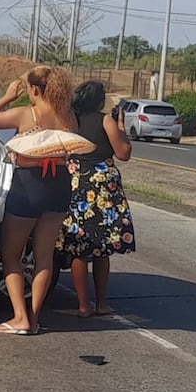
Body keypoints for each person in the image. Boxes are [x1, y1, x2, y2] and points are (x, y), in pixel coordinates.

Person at [0, 66, 75, 335]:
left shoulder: (25, 113)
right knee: (44, 256)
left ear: (33, 89)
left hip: (29, 184)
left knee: (11, 255)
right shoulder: (67, 116)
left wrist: (7, 97)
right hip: (59, 184)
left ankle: (19, 318)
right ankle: (34, 318)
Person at [57, 80, 135, 318]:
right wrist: (121, 126)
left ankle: (82, 304)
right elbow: (123, 153)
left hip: (76, 182)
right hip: (102, 185)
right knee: (103, 247)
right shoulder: (105, 120)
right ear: (99, 100)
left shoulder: (69, 121)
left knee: (78, 246)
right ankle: (101, 303)